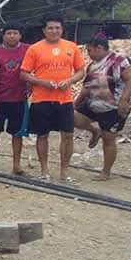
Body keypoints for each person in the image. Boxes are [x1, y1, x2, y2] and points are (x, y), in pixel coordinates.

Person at [20, 15, 85, 181]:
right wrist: (42, 82)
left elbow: (80, 71)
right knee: (42, 135)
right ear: (44, 30)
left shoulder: (71, 47)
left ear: (62, 29)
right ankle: (44, 171)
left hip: (64, 99)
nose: (54, 31)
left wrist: (69, 81)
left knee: (68, 135)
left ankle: (64, 171)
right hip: (41, 99)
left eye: (57, 28)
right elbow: (24, 74)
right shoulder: (34, 49)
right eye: (50, 28)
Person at [74, 34, 131, 181]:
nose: (88, 54)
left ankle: (106, 172)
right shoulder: (92, 66)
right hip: (93, 102)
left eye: (90, 50)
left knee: (108, 138)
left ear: (100, 48)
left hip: (113, 106)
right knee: (72, 117)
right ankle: (94, 131)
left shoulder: (119, 60)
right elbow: (86, 88)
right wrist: (76, 103)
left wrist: (124, 100)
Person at [0, 25, 30, 175]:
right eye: (9, 33)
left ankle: (16, 165)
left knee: (17, 134)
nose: (12, 36)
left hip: (19, 98)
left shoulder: (28, 50)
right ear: (3, 35)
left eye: (15, 33)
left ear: (20, 35)